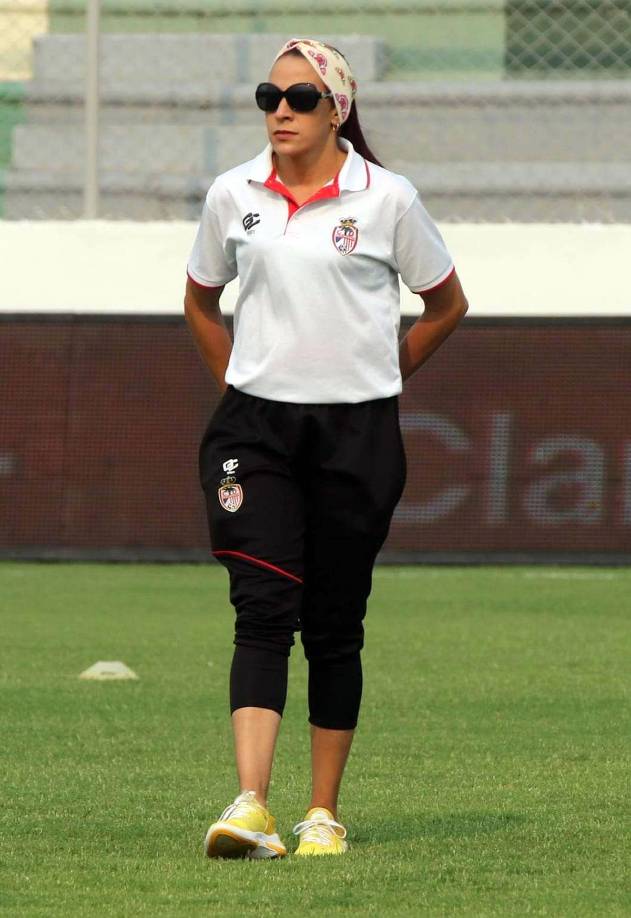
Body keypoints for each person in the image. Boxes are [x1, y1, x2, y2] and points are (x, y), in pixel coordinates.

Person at [184, 37, 468, 859]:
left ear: (336, 109)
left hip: (358, 431)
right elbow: (202, 300)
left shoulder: (387, 198)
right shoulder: (231, 192)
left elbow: (445, 303)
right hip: (255, 430)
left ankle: (321, 814)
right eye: (269, 95)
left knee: (335, 624)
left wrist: (387, 370)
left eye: (301, 98)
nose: (280, 110)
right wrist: (237, 384)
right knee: (261, 607)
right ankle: (249, 805)